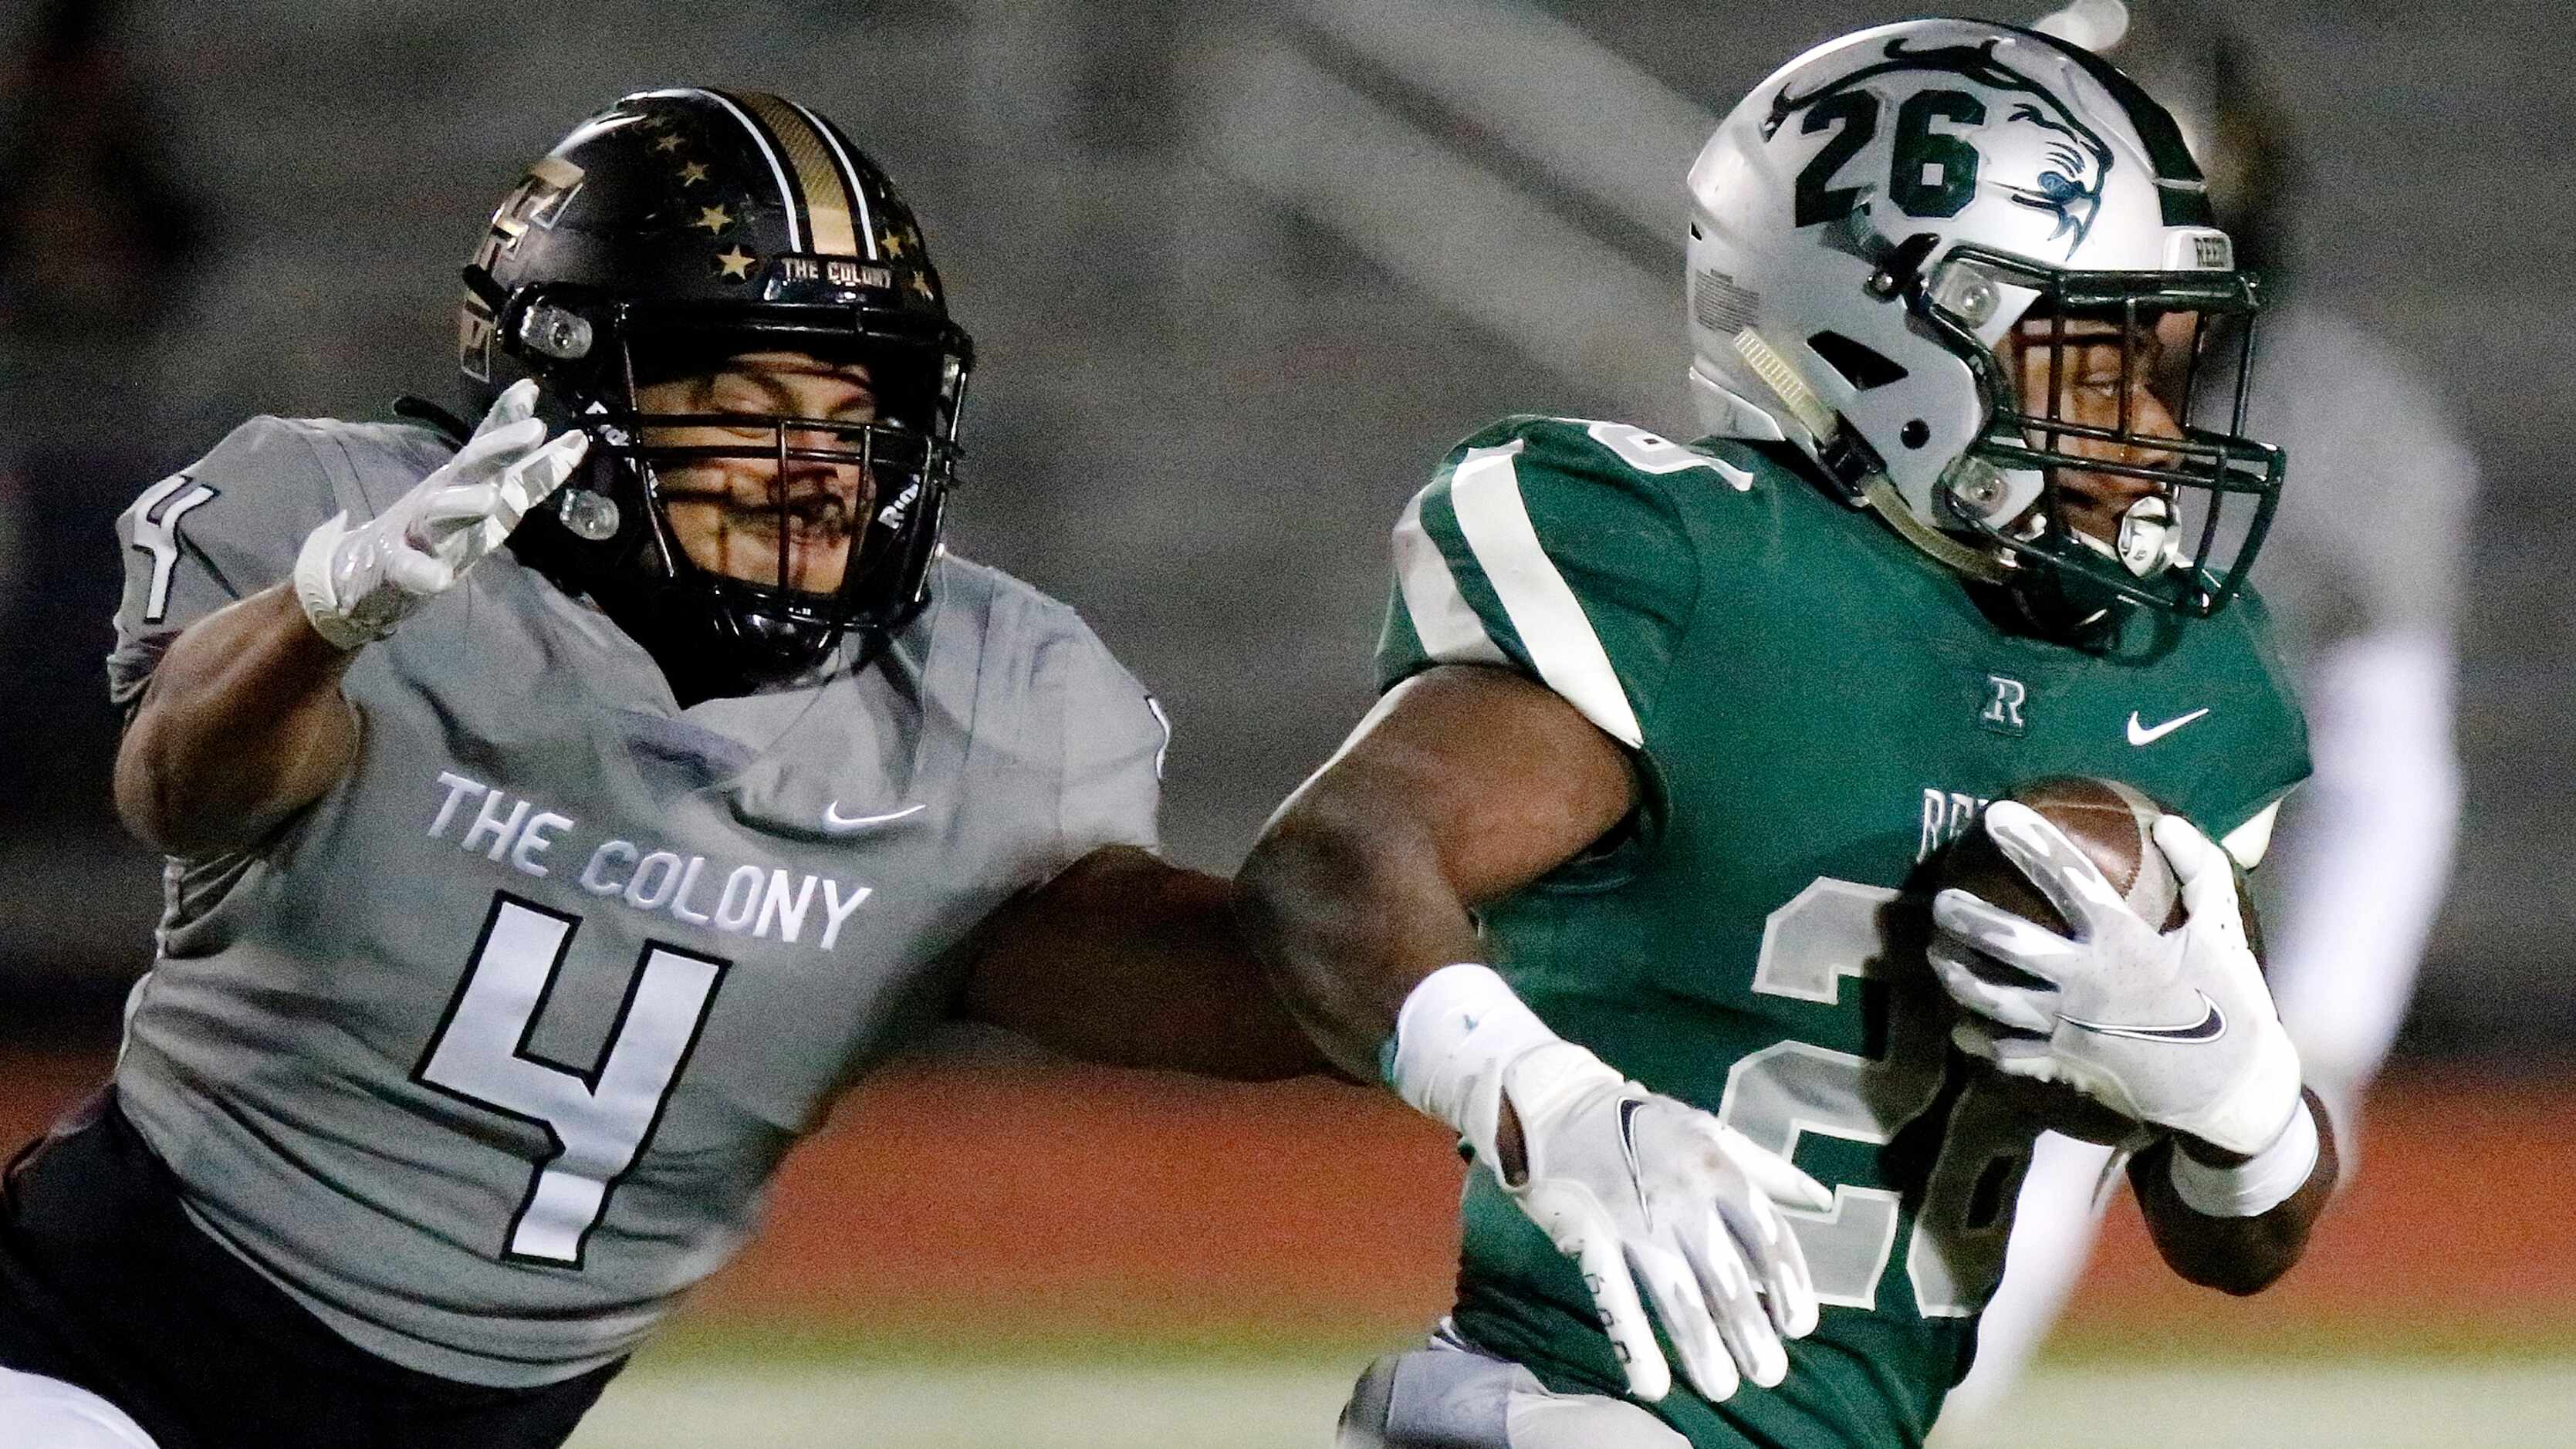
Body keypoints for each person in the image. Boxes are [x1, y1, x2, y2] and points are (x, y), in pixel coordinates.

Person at [0, 87, 1319, 1449]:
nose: (812, 470)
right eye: (746, 401)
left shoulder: (999, 684)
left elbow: (1151, 972)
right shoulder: (341, 517)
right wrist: (326, 617)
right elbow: (183, 787)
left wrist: (1440, 975)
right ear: (567, 387)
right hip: (93, 1353)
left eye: (853, 408)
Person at [1235, 19, 2341, 1449]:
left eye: (2161, 367)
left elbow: (2241, 1239)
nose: (2138, 434)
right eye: (2088, 365)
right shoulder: (1705, 575)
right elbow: (1330, 863)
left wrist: (2237, 1095)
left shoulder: (2177, 675)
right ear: (1890, 336)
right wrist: (1547, 1105)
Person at [1937, 2, 2471, 1430]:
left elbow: (2380, 767)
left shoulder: (2341, 435)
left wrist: (2328, 1037)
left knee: (1987, 1221)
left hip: (2089, 883)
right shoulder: (1884, 379)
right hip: (1844, 844)